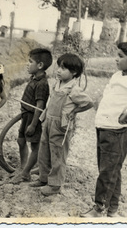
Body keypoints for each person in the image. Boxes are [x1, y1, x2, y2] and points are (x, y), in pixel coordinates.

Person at [30, 53, 93, 196]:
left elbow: (89, 102)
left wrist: (74, 111)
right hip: (48, 121)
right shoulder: (57, 83)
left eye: (63, 69)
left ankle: (55, 185)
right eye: (58, 67)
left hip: (61, 125)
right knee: (44, 150)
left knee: (58, 154)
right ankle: (43, 178)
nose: (58, 70)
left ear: (74, 73)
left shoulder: (74, 89)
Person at [80, 42, 127, 218]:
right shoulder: (117, 75)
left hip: (117, 130)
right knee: (110, 168)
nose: (116, 58)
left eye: (121, 56)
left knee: (108, 170)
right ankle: (112, 208)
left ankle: (99, 207)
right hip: (104, 126)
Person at [11, 48, 52, 184]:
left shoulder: (42, 84)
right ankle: (23, 168)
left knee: (35, 146)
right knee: (21, 141)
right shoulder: (34, 78)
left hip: (33, 118)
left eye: (30, 62)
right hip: (26, 115)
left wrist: (34, 124)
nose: (27, 64)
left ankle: (25, 173)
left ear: (40, 65)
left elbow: (39, 106)